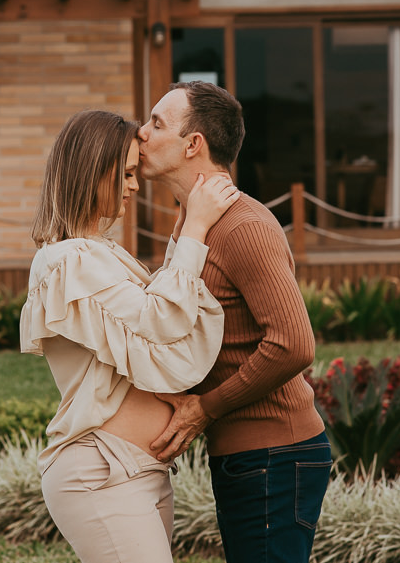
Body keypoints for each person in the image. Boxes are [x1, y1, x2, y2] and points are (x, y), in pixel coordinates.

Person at [20, 109, 240, 563]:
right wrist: (195, 226)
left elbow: (141, 344)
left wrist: (185, 227)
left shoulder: (100, 253)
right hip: (102, 472)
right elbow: (159, 321)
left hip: (141, 470)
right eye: (124, 173)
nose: (134, 186)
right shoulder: (65, 261)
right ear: (91, 170)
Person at [139, 82, 331, 563]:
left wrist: (206, 409)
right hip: (246, 456)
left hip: (275, 454)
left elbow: (294, 345)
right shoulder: (193, 222)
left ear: (193, 145)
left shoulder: (244, 226)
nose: (141, 133)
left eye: (157, 123)